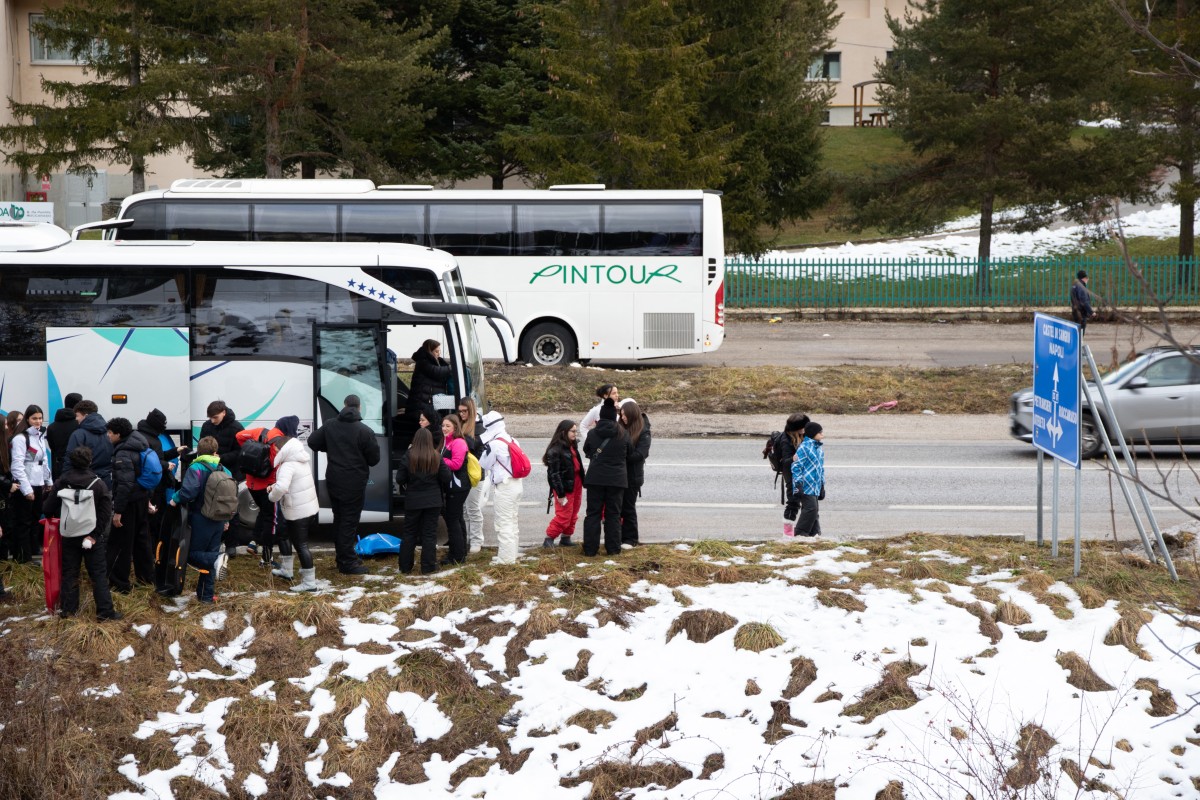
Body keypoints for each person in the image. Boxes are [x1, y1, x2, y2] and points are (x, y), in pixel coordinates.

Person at [42, 446, 121, 620]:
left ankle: (69, 611)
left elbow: (47, 508)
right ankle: (105, 612)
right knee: (98, 574)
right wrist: (94, 535)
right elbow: (105, 513)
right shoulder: (98, 484)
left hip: (69, 534)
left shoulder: (62, 482)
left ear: (70, 461)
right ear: (90, 461)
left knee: (70, 573)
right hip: (91, 535)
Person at [307, 396, 379, 576]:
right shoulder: (364, 431)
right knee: (349, 521)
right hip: (354, 483)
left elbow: (312, 442)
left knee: (339, 519)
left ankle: (343, 557)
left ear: (344, 405)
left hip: (333, 480)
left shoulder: (330, 425)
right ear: (359, 408)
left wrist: (330, 447)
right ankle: (347, 562)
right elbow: (374, 459)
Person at [170, 436, 233, 604]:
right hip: (219, 519)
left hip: (201, 517)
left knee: (191, 555)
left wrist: (174, 499)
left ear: (199, 451)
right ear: (215, 451)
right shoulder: (225, 470)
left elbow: (189, 492)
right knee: (209, 554)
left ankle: (217, 559)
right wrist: (226, 520)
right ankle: (205, 596)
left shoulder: (196, 467)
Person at [234, 416, 296, 564]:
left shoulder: (260, 432)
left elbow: (239, 436)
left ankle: (254, 542)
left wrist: (249, 446)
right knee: (272, 521)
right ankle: (267, 558)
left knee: (264, 512)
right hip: (268, 487)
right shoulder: (281, 443)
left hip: (251, 485)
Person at [105, 417, 155, 591]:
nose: (108, 436)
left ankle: (120, 584)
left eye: (110, 433)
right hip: (141, 499)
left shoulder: (123, 453)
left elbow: (125, 484)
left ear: (118, 434)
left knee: (120, 544)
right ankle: (146, 579)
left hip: (128, 503)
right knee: (142, 542)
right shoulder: (140, 443)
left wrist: (118, 511)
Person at [268, 431, 321, 591]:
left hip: (297, 511)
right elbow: (293, 484)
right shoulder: (301, 460)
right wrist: (275, 486)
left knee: (301, 545)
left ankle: (309, 583)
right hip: (308, 507)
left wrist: (272, 495)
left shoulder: (288, 465)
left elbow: (283, 487)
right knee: (299, 542)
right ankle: (289, 571)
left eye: (276, 449)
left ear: (283, 450)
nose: (275, 452)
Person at [396, 428, 451, 574]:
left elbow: (399, 479)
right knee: (429, 534)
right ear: (429, 440)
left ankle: (405, 566)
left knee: (409, 533)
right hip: (433, 501)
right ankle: (428, 566)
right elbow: (447, 477)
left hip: (413, 500)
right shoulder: (436, 456)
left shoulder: (409, 455)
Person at [581, 398, 632, 557]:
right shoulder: (623, 434)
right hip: (617, 480)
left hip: (595, 479)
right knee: (614, 515)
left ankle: (590, 549)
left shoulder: (592, 433)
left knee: (593, 514)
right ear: (614, 417)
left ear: (601, 417)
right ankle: (613, 549)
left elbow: (587, 450)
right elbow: (629, 453)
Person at [478, 411, 525, 565]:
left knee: (503, 523)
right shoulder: (513, 440)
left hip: (505, 487)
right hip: (516, 484)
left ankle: (505, 561)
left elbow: (483, 464)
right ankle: (511, 554)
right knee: (512, 521)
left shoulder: (495, 444)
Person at [10, 405, 52, 563]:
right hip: (25, 485)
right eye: (34, 418)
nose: (38, 421)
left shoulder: (39, 436)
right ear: (27, 419)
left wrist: (48, 481)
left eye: (40, 418)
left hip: (38, 483)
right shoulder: (21, 438)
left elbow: (44, 461)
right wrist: (27, 489)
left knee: (35, 519)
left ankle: (32, 550)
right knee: (24, 521)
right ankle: (22, 557)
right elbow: (17, 466)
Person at [543, 420, 584, 548]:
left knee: (573, 512)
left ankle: (566, 538)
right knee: (564, 515)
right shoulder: (555, 450)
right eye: (572, 431)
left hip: (576, 482)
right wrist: (560, 493)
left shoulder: (572, 445)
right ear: (563, 432)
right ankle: (549, 538)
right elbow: (554, 474)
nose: (575, 434)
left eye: (576, 431)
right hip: (564, 486)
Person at [619, 400, 651, 549]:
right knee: (618, 507)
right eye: (621, 415)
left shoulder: (643, 430)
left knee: (628, 507)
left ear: (632, 414)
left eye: (625, 415)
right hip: (619, 474)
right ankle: (619, 536)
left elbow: (641, 454)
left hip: (632, 476)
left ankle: (630, 539)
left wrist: (622, 454)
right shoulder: (622, 427)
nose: (623, 418)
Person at [440, 413, 471, 566]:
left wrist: (439, 459)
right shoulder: (447, 441)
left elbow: (456, 464)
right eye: (443, 425)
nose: (444, 428)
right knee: (457, 518)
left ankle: (456, 556)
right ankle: (460, 552)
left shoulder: (458, 442)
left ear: (455, 427)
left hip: (458, 486)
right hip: (453, 485)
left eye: (448, 426)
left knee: (452, 520)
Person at [458, 398, 488, 554]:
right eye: (460, 411)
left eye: (464, 411)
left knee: (473, 509)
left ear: (471, 411)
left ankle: (476, 540)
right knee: (464, 509)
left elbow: (482, 454)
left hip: (475, 475)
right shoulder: (462, 425)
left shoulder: (479, 428)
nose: (461, 414)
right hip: (462, 473)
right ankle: (468, 538)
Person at [65, 400, 114, 489]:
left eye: (77, 416)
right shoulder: (109, 433)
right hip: (106, 482)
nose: (76, 419)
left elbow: (70, 458)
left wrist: (65, 480)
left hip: (85, 483)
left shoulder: (78, 434)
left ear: (86, 416)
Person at [791, 421, 826, 538]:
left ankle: (815, 534)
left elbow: (821, 468)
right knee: (811, 509)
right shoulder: (804, 448)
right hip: (805, 485)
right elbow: (796, 467)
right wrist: (798, 484)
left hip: (815, 486)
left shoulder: (819, 449)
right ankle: (800, 534)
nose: (822, 434)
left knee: (814, 511)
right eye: (819, 432)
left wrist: (822, 485)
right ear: (812, 433)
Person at [779, 413, 810, 536]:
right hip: (791, 474)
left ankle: (807, 529)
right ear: (796, 428)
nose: (805, 430)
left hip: (803, 471)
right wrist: (794, 458)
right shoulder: (785, 440)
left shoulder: (804, 435)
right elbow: (785, 463)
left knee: (808, 501)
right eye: (803, 427)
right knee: (793, 502)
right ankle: (787, 533)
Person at [199, 400, 245, 479]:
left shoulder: (237, 428)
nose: (212, 421)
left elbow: (240, 452)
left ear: (224, 412)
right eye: (210, 418)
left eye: (215, 417)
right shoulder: (206, 425)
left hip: (230, 473)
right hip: (209, 470)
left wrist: (220, 458)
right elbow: (201, 446)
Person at [408, 340, 453, 419]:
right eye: (436, 351)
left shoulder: (437, 362)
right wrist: (452, 368)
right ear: (429, 351)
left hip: (428, 404)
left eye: (439, 351)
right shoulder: (423, 362)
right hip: (421, 406)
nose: (439, 354)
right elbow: (436, 372)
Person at [46, 392, 82, 479]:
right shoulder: (79, 425)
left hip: (58, 466)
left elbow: (52, 447)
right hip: (77, 466)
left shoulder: (51, 427)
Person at [1071, 270, 1094, 337]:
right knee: (1080, 332)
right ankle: (1079, 345)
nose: (1088, 279)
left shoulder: (1074, 286)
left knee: (1077, 332)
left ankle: (1077, 345)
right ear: (1083, 278)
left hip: (1075, 311)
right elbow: (1084, 301)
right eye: (1087, 278)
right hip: (1081, 312)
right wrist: (1091, 312)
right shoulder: (1081, 287)